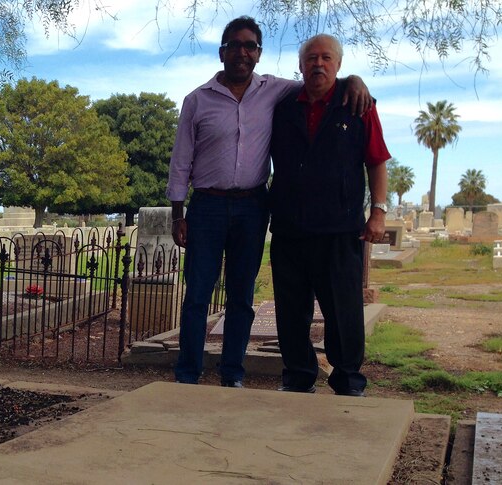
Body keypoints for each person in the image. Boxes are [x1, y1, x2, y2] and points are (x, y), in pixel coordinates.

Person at [167, 16, 373, 387]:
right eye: (235, 45)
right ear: (222, 51)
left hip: (252, 207)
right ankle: (188, 374)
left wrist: (353, 80)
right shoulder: (197, 100)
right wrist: (178, 213)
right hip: (207, 208)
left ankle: (232, 374)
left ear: (259, 54)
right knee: (198, 294)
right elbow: (181, 160)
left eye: (250, 46)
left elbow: (321, 81)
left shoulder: (274, 90)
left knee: (242, 297)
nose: (242, 52)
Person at [268, 34, 390, 396]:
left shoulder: (357, 104)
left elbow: (377, 160)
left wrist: (378, 213)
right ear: (301, 65)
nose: (318, 64)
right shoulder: (284, 105)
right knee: (290, 311)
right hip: (290, 227)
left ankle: (349, 380)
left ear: (338, 65)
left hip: (340, 227)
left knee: (344, 310)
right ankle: (298, 377)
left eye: (326, 58)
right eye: (311, 59)